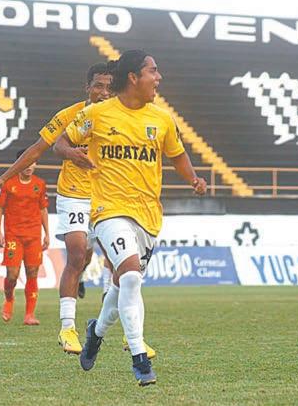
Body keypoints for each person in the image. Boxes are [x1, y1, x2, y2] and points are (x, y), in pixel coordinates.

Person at [55, 49, 207, 386]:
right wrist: (72, 154)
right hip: (108, 210)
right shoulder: (97, 114)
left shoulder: (162, 119)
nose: (159, 77)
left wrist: (194, 179)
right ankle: (139, 358)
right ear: (134, 77)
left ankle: (96, 332)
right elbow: (60, 143)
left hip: (148, 215)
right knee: (132, 277)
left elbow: (177, 155)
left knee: (122, 283)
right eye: (153, 71)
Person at [0, 64, 117, 352]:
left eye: (109, 87)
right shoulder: (69, 116)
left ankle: (111, 323)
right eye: (98, 85)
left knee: (112, 258)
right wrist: (4, 178)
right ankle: (67, 328)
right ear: (88, 87)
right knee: (77, 253)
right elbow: (37, 149)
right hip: (74, 194)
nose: (104, 92)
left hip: (108, 196)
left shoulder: (121, 117)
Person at [0, 149, 49, 325]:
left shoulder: (40, 184)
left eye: (32, 163)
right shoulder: (7, 184)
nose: (29, 166)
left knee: (32, 272)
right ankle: (9, 299)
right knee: (12, 275)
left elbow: (43, 209)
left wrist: (47, 233)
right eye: (25, 163)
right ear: (18, 164)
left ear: (36, 164)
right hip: (13, 236)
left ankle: (29, 315)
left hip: (33, 236)